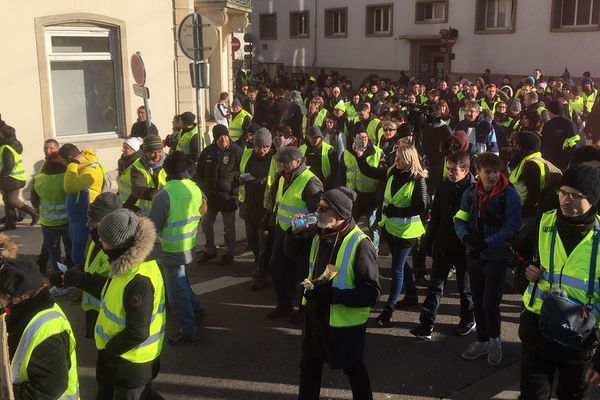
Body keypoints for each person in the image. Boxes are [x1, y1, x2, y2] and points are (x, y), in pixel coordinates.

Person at [517, 164, 600, 399]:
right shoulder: (545, 222)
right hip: (537, 328)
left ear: (592, 200)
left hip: (579, 338)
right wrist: (524, 268)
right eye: (562, 193)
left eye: (575, 195)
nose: (566, 200)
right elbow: (516, 253)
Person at [293, 187, 381, 400]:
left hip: (343, 325)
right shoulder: (319, 235)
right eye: (318, 207)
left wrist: (333, 295)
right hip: (315, 317)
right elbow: (292, 255)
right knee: (309, 367)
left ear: (341, 214)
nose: (318, 212)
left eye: (324, 209)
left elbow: (372, 294)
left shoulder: (360, 244)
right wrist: (294, 233)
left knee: (353, 369)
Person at [84, 209, 165, 399]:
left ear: (117, 244)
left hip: (131, 361)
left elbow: (137, 331)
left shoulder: (139, 280)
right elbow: (113, 295)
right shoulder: (125, 263)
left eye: (103, 240)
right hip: (118, 355)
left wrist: (111, 350)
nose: (100, 243)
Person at [454, 152, 521, 366]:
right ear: (478, 172)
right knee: (477, 301)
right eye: (487, 172)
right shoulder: (471, 194)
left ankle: (495, 341)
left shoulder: (510, 196)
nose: (492, 176)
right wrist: (466, 237)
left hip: (497, 257)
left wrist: (487, 242)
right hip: (474, 256)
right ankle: (481, 340)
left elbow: (511, 228)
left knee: (490, 304)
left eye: (495, 172)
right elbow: (460, 219)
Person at [411, 151, 475, 339]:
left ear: (465, 170)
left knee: (465, 288)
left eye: (454, 170)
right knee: (435, 286)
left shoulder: (473, 191)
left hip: (463, 248)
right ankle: (426, 324)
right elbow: (436, 217)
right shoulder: (444, 186)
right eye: (448, 169)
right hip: (443, 244)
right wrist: (428, 243)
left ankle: (467, 320)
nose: (450, 173)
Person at [149, 151, 207, 345]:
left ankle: (189, 329)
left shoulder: (164, 195)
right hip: (188, 244)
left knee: (176, 293)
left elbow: (153, 226)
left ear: (166, 171)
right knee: (181, 283)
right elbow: (201, 211)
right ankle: (197, 309)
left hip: (170, 248)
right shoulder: (195, 188)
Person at [1, 259, 79, 399]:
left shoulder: (47, 333)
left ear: (16, 298)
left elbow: (51, 387)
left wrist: (5, 393)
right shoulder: (26, 308)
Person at [370, 144, 428, 327]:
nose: (396, 160)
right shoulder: (392, 173)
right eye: (396, 157)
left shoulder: (418, 179)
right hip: (391, 228)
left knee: (397, 269)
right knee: (401, 265)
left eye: (400, 158)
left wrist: (397, 211)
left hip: (406, 233)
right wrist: (359, 155)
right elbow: (369, 171)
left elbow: (422, 207)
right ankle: (411, 295)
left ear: (409, 160)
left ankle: (389, 309)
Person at [267, 146, 323, 321]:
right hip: (283, 232)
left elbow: (319, 214)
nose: (283, 165)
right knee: (276, 267)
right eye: (281, 162)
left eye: (287, 162)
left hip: (302, 237)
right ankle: (284, 304)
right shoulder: (284, 177)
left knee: (302, 274)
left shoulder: (310, 181)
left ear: (298, 162)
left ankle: (304, 309)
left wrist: (301, 225)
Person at [196, 124, 243, 265]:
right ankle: (209, 250)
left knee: (228, 227)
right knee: (206, 223)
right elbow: (199, 173)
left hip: (228, 198)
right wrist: (201, 191)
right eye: (220, 137)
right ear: (215, 139)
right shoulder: (207, 152)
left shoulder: (237, 151)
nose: (223, 139)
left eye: (225, 136)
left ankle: (230, 252)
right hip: (210, 197)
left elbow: (242, 172)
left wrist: (235, 192)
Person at [235, 128, 276, 290]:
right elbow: (234, 171)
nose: (262, 150)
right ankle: (261, 265)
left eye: (265, 147)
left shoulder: (275, 159)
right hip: (249, 208)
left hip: (266, 210)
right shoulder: (246, 154)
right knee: (252, 242)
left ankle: (261, 274)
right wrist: (236, 177)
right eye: (259, 146)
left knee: (263, 243)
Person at [336, 128, 383, 250]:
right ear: (354, 139)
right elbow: (341, 174)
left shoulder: (377, 152)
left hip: (371, 196)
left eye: (365, 138)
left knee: (373, 225)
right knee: (350, 223)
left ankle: (374, 249)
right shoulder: (347, 152)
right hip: (352, 195)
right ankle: (349, 246)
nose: (363, 140)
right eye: (359, 138)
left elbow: (382, 174)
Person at [59, 143, 104, 267]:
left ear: (70, 158)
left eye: (64, 161)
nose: (64, 165)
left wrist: (73, 164)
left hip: (86, 218)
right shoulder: (82, 167)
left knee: (82, 252)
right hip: (78, 219)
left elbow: (70, 186)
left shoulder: (90, 169)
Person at [31, 150, 69, 279]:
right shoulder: (67, 177)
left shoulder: (38, 179)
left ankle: (58, 278)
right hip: (67, 221)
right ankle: (71, 277)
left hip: (48, 223)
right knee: (70, 251)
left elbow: (34, 202)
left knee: (54, 253)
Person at [0, 126, 38, 231]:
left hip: (12, 178)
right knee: (6, 200)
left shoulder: (6, 148)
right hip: (11, 178)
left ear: (3, 134)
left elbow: (9, 165)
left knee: (13, 201)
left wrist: (3, 176)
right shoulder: (13, 145)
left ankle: (33, 214)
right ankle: (10, 223)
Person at [508, 131, 549, 220]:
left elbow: (533, 196)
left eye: (517, 144)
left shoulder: (531, 165)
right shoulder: (528, 160)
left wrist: (522, 213)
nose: (516, 147)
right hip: (519, 208)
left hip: (524, 213)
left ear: (523, 146)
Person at [125, 135, 166, 215]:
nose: (157, 156)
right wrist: (157, 194)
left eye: (160, 151)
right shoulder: (138, 166)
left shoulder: (170, 161)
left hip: (168, 208)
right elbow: (138, 189)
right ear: (145, 152)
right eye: (153, 152)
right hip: (149, 212)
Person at [541, 100, 580, 171]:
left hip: (550, 161)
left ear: (551, 111)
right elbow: (575, 145)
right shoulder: (570, 124)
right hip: (563, 161)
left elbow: (543, 142)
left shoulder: (548, 124)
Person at [117, 137, 143, 205]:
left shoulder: (138, 165)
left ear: (134, 149)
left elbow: (140, 188)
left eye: (126, 148)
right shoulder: (124, 163)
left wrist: (130, 204)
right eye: (123, 147)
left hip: (135, 205)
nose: (123, 150)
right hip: (124, 203)